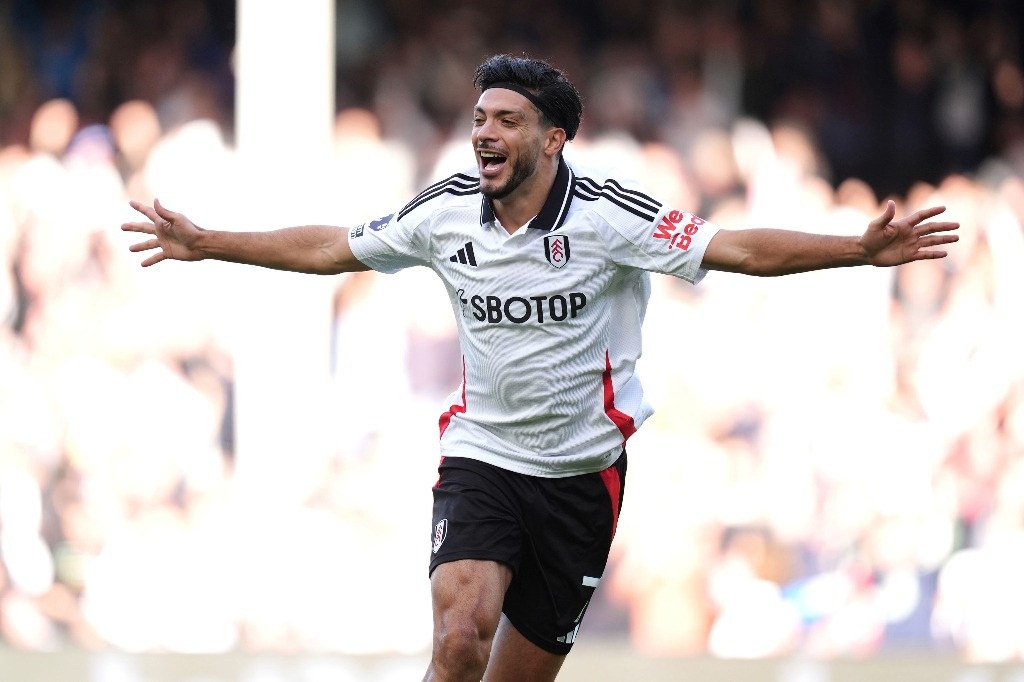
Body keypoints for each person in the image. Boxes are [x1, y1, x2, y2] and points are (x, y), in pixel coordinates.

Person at [121, 54, 959, 681]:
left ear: (553, 139)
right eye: (480, 117)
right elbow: (331, 249)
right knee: (457, 639)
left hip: (579, 481)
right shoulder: (445, 210)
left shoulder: (611, 217)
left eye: (508, 120)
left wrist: (857, 251)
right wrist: (208, 242)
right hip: (483, 457)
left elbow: (737, 248)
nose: (485, 131)